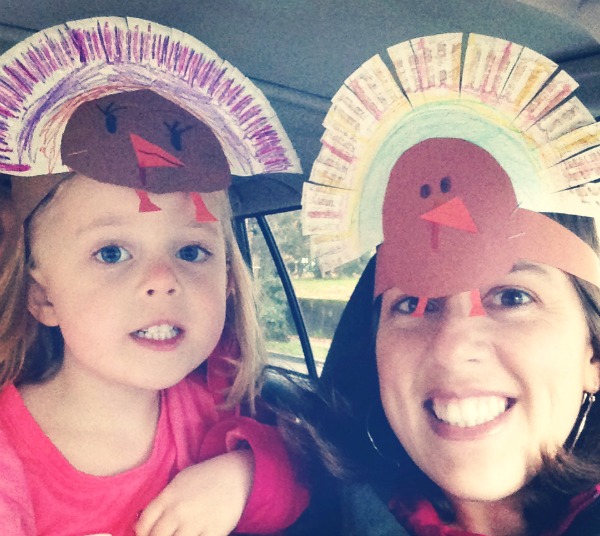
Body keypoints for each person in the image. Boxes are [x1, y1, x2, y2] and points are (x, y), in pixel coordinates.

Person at [0, 17, 308, 536]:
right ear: (41, 296)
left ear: (230, 280)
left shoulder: (213, 413)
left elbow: (299, 478)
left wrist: (242, 476)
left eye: (192, 249)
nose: (162, 280)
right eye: (113, 253)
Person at [292, 31, 600, 535]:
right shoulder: (309, 510)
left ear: (593, 356)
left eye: (512, 296)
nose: (453, 349)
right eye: (414, 303)